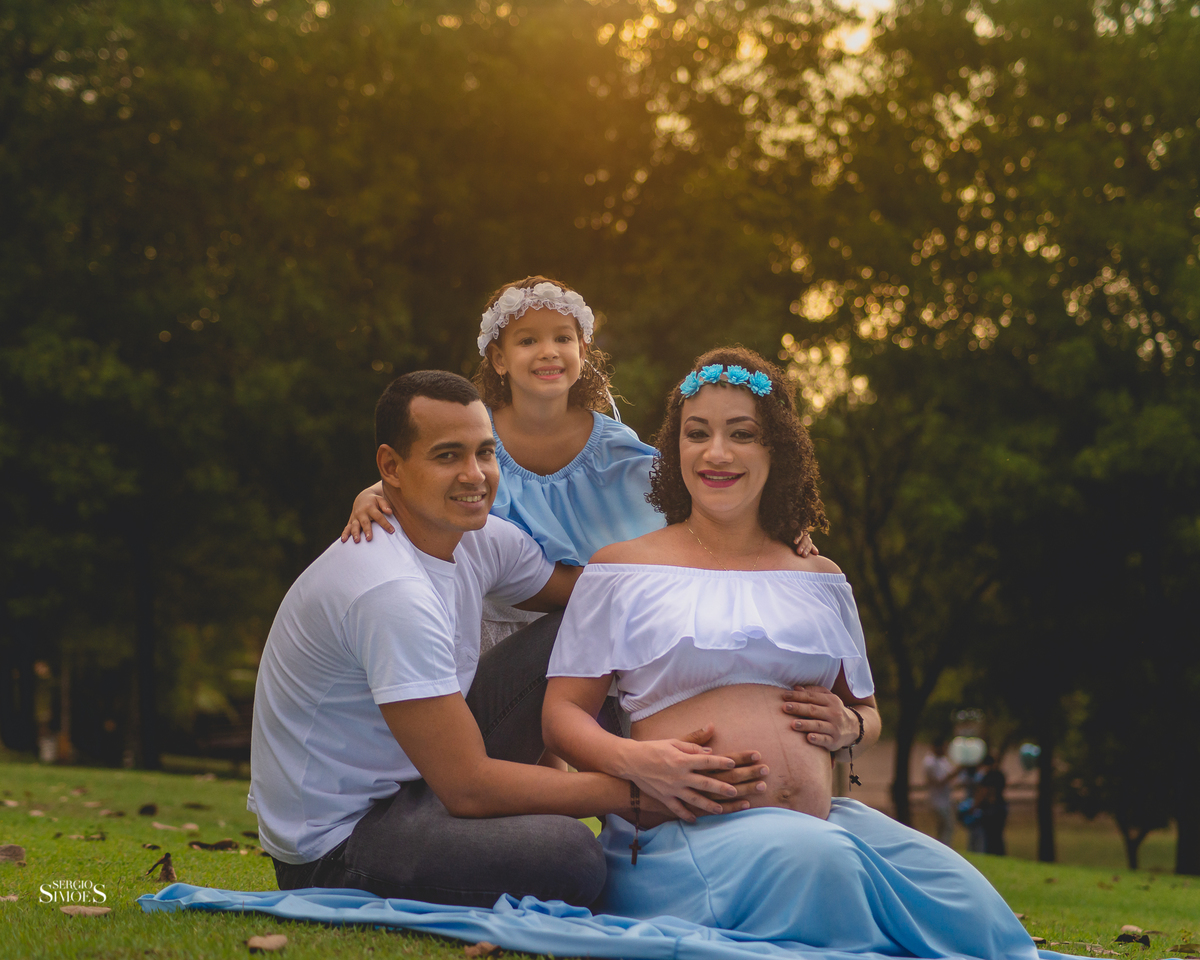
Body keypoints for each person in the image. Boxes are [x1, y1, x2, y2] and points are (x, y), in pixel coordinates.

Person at [541, 347, 1040, 960]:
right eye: (697, 434)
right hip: (681, 836)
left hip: (821, 826)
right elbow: (561, 717)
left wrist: (850, 726)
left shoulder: (820, 576)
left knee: (973, 909)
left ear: (776, 450)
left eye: (741, 434)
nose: (716, 452)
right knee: (821, 866)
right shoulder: (622, 568)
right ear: (676, 450)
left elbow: (869, 715)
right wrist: (637, 763)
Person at [248, 371, 764, 908]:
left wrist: (755, 546)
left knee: (582, 619)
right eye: (448, 456)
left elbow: (608, 593)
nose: (475, 475)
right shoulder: (388, 590)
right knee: (570, 857)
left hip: (423, 778)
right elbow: (467, 786)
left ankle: (680, 782)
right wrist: (637, 789)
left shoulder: (478, 538)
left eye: (484, 452)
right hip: (342, 842)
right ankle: (675, 791)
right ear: (391, 468)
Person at [341, 277, 815, 650]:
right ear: (499, 359)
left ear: (582, 352)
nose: (548, 351)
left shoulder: (616, 449)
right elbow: (421, 479)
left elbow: (701, 494)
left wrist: (775, 527)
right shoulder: (472, 436)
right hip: (486, 626)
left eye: (562, 338)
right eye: (527, 341)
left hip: (591, 623)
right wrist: (373, 494)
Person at [923, 737, 957, 846]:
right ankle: (944, 847)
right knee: (947, 826)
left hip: (946, 800)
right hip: (937, 801)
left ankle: (942, 846)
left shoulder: (943, 760)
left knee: (945, 828)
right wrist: (958, 771)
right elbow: (939, 781)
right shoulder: (930, 762)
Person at [976, 753, 1009, 855]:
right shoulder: (1001, 775)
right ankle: (1000, 854)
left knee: (990, 837)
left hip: (990, 810)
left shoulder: (987, 777)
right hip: (1002, 807)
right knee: (998, 836)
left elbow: (984, 793)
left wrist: (974, 806)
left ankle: (991, 853)